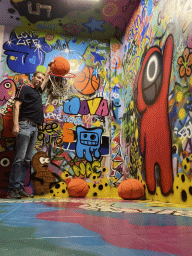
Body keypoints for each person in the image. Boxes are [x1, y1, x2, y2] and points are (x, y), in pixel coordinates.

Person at [8, 63, 52, 199]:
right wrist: (16, 125)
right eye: (38, 77)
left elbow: (45, 81)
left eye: (41, 78)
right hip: (25, 126)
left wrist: (49, 68)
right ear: (32, 77)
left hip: (35, 128)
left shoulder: (37, 91)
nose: (39, 80)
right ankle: (13, 189)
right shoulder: (25, 87)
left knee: (26, 160)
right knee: (19, 159)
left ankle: (20, 187)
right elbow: (16, 105)